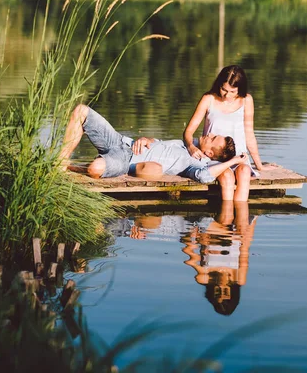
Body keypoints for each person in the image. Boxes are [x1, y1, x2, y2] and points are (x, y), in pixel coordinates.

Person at [58, 104, 244, 183]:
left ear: (210, 154)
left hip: (125, 161)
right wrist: (147, 139)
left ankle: (74, 168)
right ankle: (59, 164)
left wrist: (232, 161)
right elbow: (159, 143)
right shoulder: (189, 144)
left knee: (95, 168)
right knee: (82, 110)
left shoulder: (193, 163)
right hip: (121, 142)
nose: (209, 134)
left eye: (212, 139)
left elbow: (205, 177)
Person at [183, 65, 277, 201]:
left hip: (239, 155)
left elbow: (249, 135)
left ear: (241, 89)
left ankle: (242, 220)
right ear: (219, 85)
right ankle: (226, 218)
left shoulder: (247, 100)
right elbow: (188, 131)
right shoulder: (208, 98)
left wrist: (259, 165)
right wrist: (191, 146)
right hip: (214, 157)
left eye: (232, 91)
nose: (227, 95)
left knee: (244, 173)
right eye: (224, 90)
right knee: (227, 176)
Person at [180, 201, 257, 315]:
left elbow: (188, 252)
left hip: (209, 227)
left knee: (225, 218)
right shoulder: (238, 278)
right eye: (225, 291)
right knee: (234, 220)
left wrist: (195, 238)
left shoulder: (204, 278)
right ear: (233, 292)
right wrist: (251, 223)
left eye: (217, 292)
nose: (221, 286)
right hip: (234, 229)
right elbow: (245, 248)